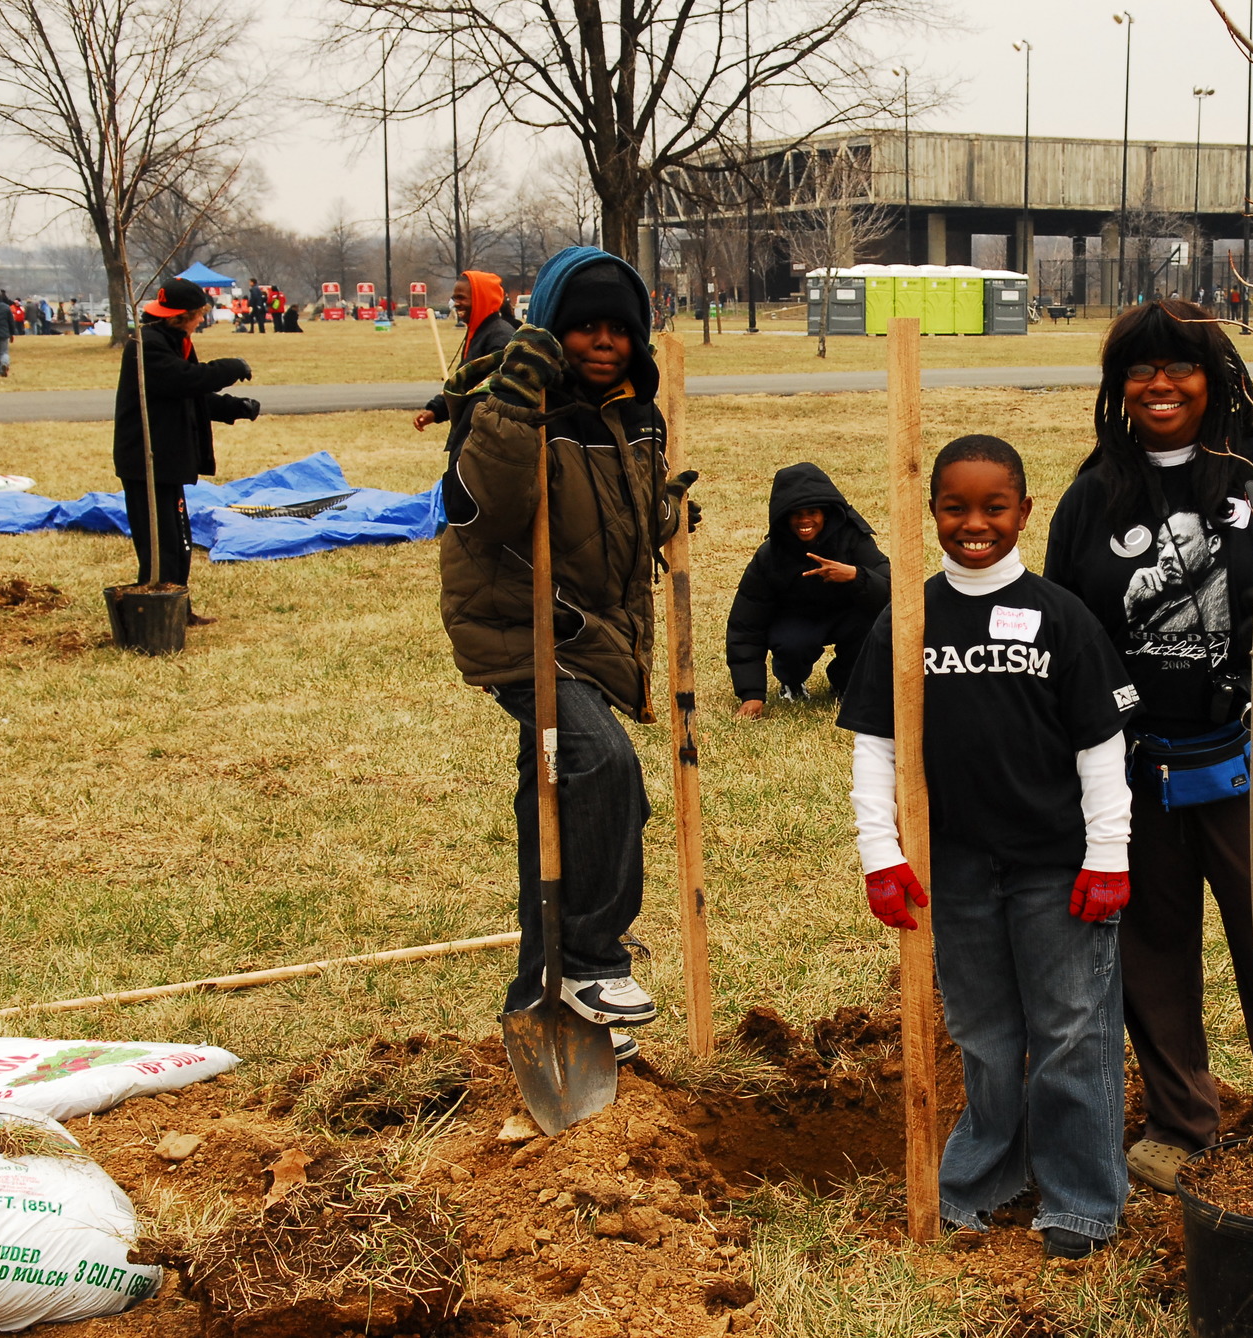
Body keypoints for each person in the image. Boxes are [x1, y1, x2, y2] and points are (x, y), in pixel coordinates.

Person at [1042, 298, 1253, 1193]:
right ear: (1118, 386)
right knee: (1152, 944)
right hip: (1134, 763)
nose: (1159, 385)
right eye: (1139, 370)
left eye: (1178, 367)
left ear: (1214, 376)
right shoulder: (1093, 492)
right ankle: (1181, 1119)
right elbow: (1064, 625)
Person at [837, 435, 1140, 1260]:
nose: (974, 524)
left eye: (993, 508)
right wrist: (881, 853)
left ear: (1024, 513)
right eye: (954, 507)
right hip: (955, 867)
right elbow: (875, 744)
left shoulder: (1060, 617)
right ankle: (985, 1177)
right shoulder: (906, 619)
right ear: (930, 511)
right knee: (982, 1032)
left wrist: (1107, 857)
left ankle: (1080, 1196)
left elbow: (1101, 744)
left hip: (1057, 866)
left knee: (1072, 1029)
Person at [439, 246, 698, 1060]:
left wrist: (663, 513)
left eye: (617, 329)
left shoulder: (631, 413)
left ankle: (542, 1001)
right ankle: (589, 963)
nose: (601, 342)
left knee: (562, 811)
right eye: (582, 326)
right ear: (552, 329)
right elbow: (485, 511)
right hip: (526, 631)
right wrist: (516, 404)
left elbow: (610, 524)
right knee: (602, 767)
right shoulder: (516, 405)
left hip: (590, 635)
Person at [112, 277, 260, 619]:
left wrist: (233, 408)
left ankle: (179, 609)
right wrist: (231, 367)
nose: (201, 321)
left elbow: (188, 393)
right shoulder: (145, 345)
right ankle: (154, 613)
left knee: (179, 543)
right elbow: (184, 380)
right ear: (179, 316)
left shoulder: (173, 341)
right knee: (160, 544)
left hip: (168, 458)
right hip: (146, 460)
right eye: (197, 315)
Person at [726, 463, 891, 717]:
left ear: (826, 514)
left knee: (875, 624)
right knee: (792, 644)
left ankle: (848, 683)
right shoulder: (770, 556)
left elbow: (894, 592)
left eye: (812, 512)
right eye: (796, 514)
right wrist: (752, 694)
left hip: (848, 615)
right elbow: (746, 625)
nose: (805, 520)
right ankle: (791, 682)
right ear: (784, 517)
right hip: (797, 619)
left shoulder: (853, 539)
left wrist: (855, 575)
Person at [414, 271, 518, 439]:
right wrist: (435, 411)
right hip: (468, 432)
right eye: (455, 298)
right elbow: (464, 384)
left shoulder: (500, 338)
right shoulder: (478, 333)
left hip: (485, 439)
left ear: (481, 298)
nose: (456, 304)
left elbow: (488, 393)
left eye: (461, 298)